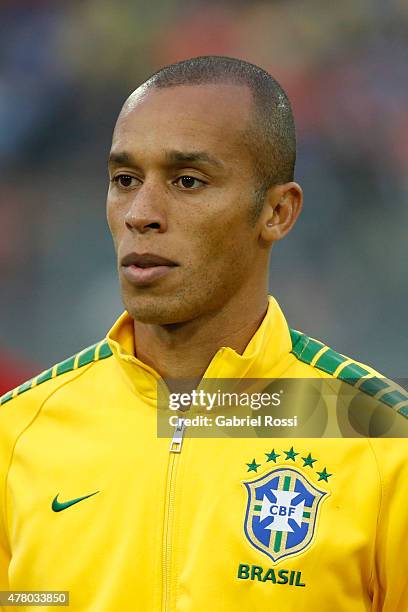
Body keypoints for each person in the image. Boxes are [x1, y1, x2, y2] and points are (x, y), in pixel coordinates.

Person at [0, 56, 407, 612]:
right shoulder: (17, 434)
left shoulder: (379, 437)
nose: (141, 213)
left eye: (188, 181)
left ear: (278, 212)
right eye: (124, 180)